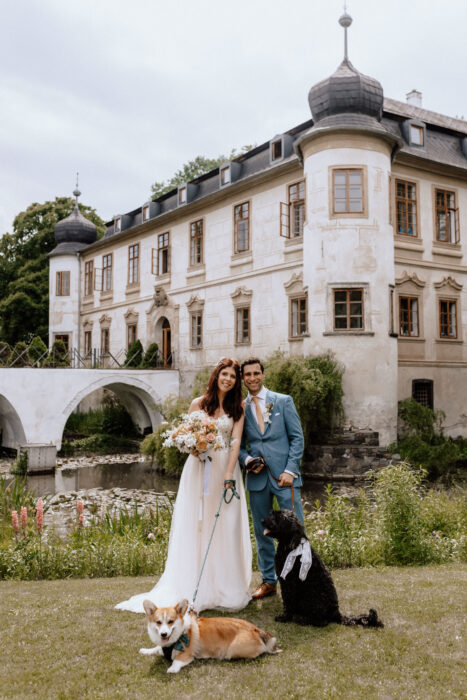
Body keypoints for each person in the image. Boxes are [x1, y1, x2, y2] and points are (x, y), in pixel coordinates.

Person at [116, 358, 252, 613]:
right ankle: (192, 583)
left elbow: (235, 442)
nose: (228, 379)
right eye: (225, 374)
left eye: (233, 377)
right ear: (216, 376)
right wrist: (195, 448)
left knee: (225, 524)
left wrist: (229, 472)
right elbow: (187, 438)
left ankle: (225, 585)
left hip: (224, 469)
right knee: (197, 525)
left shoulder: (238, 408)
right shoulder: (198, 404)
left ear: (236, 382)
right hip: (198, 469)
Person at [239, 357, 304, 600]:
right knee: (262, 531)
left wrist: (290, 470)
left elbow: (297, 438)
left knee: (295, 528)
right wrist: (247, 461)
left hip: (284, 479)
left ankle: (299, 578)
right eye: (248, 375)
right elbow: (239, 445)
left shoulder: (283, 401)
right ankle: (269, 581)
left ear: (263, 375)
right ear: (243, 378)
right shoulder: (241, 409)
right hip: (257, 480)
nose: (253, 378)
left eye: (256, 373)